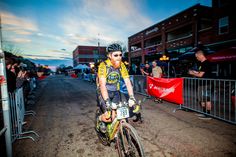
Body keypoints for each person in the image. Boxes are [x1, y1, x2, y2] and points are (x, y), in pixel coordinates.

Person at [96, 43, 140, 133]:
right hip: (104, 92)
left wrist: (131, 97)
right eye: (116, 55)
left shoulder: (122, 65)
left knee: (117, 115)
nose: (119, 57)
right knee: (108, 117)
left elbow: (127, 82)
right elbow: (102, 85)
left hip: (116, 91)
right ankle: (99, 119)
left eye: (120, 55)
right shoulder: (103, 65)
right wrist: (107, 101)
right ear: (109, 55)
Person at [188, 48, 212, 118]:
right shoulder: (201, 64)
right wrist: (195, 72)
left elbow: (200, 75)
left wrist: (192, 73)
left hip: (206, 84)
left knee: (207, 99)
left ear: (201, 55)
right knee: (201, 99)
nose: (197, 58)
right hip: (201, 84)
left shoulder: (206, 63)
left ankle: (208, 115)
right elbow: (200, 73)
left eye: (197, 56)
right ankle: (204, 113)